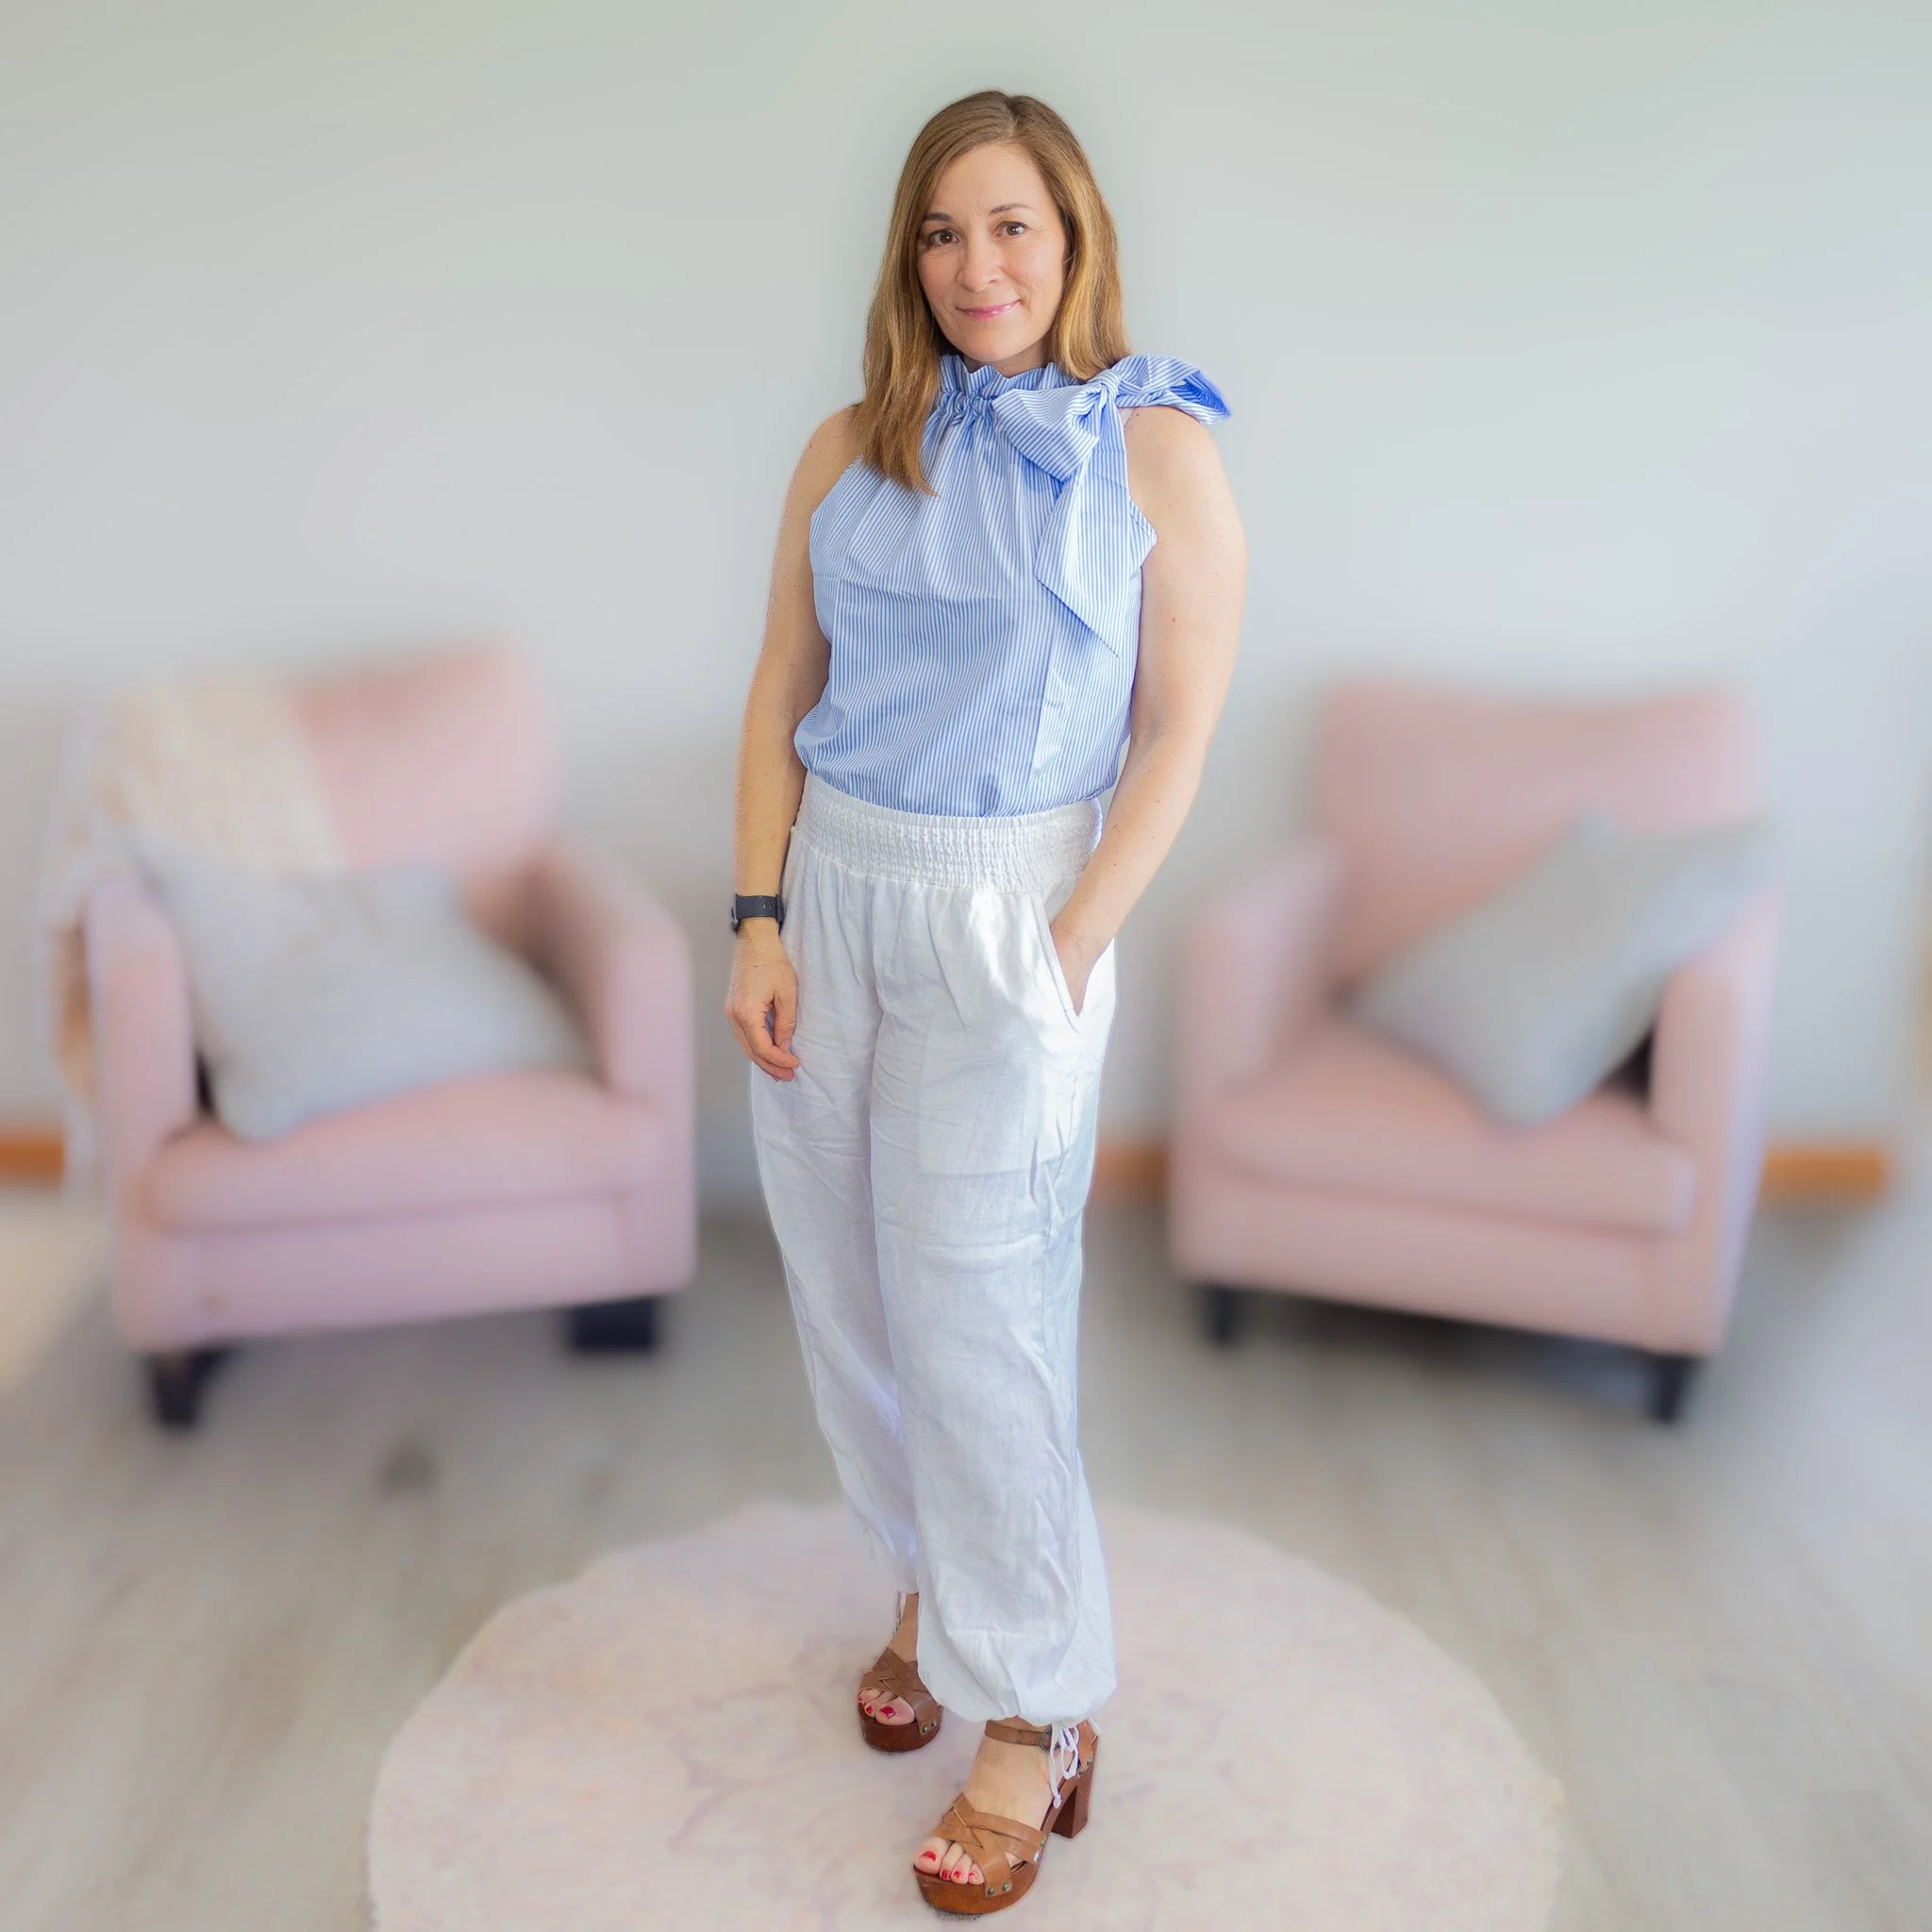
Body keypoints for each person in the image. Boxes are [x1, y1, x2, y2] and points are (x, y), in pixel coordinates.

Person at [725, 88, 1244, 1914]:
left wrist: (1068, 945)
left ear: (1074, 234)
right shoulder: (846, 444)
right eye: (942, 232)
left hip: (1009, 911)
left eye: (1011, 224)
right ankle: (927, 1586)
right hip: (833, 893)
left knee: (982, 1319)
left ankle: (1031, 1709)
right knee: (848, 1291)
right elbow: (779, 692)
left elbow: (1177, 735)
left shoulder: (1156, 450)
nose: (976, 265)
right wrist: (757, 919)